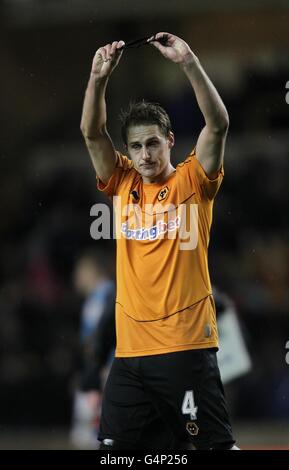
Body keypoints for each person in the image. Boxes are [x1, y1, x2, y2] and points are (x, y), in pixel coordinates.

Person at [80, 31, 239, 450]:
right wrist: (98, 80)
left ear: (169, 141)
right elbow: (93, 133)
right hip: (130, 357)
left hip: (185, 348)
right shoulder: (120, 181)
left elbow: (218, 124)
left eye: (153, 143)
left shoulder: (192, 180)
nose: (145, 154)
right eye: (136, 146)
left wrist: (188, 62)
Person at [70, 248, 115, 448]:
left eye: (80, 271)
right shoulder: (96, 297)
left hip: (105, 373)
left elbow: (102, 338)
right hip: (101, 371)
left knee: (92, 437)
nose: (76, 277)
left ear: (92, 270)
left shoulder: (104, 295)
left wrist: (96, 374)